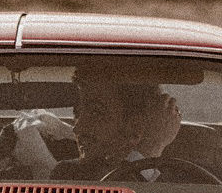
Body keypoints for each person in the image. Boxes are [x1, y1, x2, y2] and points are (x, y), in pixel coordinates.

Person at [50, 70, 184, 181]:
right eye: (78, 113)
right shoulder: (69, 174)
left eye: (96, 113)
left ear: (135, 128)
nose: (77, 128)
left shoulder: (187, 179)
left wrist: (150, 147)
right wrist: (150, 149)